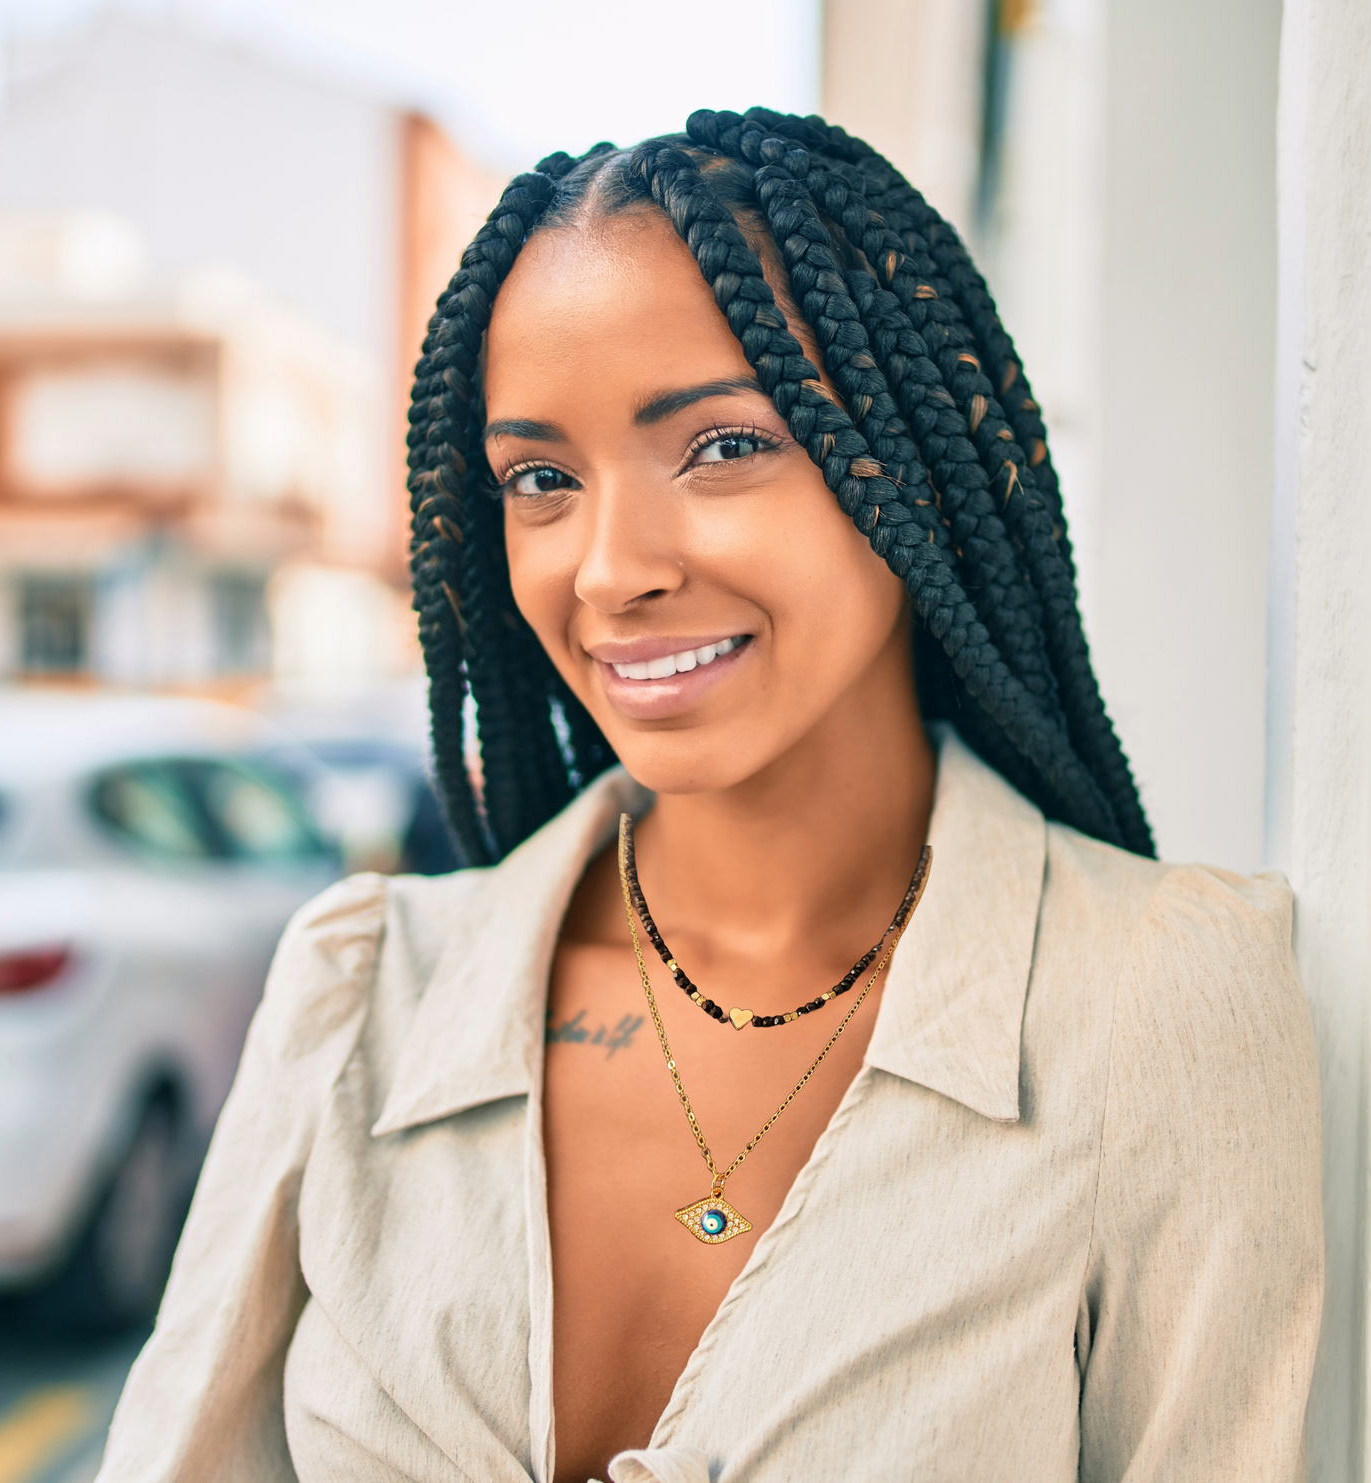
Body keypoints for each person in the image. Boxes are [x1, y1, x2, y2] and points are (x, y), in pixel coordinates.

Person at [96, 110, 1323, 1483]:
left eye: (723, 446)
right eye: (543, 479)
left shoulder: (1165, 1007)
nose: (611, 567)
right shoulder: (359, 996)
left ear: (914, 458)